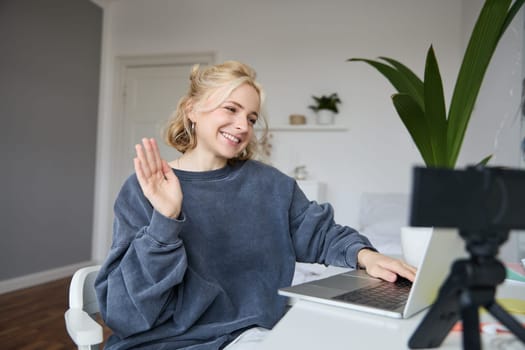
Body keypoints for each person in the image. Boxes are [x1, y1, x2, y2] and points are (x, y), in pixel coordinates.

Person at [95, 60, 416, 350]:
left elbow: (320, 233)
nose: (243, 126)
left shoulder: (271, 186)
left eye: (251, 117)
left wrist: (365, 255)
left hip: (250, 335)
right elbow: (124, 314)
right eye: (231, 110)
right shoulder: (145, 189)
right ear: (191, 109)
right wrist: (165, 220)